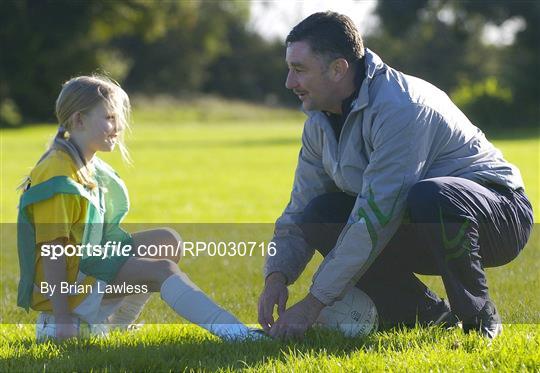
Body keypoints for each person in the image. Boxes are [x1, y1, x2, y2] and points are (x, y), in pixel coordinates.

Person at [257, 12, 533, 340]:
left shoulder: (402, 108)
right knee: (319, 213)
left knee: (431, 195)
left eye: (299, 70)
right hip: (418, 220)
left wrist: (314, 302)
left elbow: (375, 218)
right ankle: (429, 316)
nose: (289, 82)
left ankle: (478, 319)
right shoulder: (318, 122)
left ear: (338, 69)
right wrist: (276, 276)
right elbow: (299, 208)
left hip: (499, 216)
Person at [17, 75, 260, 342]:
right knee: (162, 270)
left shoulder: (83, 162)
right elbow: (53, 254)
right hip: (68, 294)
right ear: (79, 120)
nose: (118, 126)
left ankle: (113, 328)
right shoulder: (58, 174)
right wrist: (62, 319)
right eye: (109, 117)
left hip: (84, 268)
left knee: (166, 242)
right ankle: (240, 334)